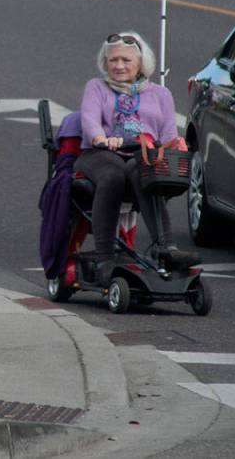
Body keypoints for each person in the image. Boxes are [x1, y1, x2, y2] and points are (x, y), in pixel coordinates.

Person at [77, 32, 200, 284]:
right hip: (100, 153)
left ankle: (166, 249)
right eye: (113, 60)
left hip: (142, 154)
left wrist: (172, 147)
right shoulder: (96, 87)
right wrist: (102, 139)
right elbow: (90, 123)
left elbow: (168, 135)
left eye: (125, 60)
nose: (118, 66)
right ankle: (105, 257)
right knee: (113, 175)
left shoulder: (160, 94)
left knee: (143, 170)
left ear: (141, 64)